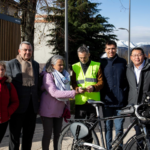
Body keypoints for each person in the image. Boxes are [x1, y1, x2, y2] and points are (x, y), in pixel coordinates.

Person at [39, 55, 78, 150]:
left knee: (58, 135)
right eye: (59, 65)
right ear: (52, 65)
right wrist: (73, 93)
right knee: (47, 134)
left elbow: (66, 91)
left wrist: (67, 108)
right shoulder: (48, 75)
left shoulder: (65, 76)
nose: (61, 67)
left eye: (63, 65)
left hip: (59, 111)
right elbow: (54, 92)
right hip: (47, 111)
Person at [6, 41, 40, 150]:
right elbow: (8, 85)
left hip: (32, 106)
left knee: (28, 136)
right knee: (14, 137)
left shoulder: (35, 64)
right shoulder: (11, 64)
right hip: (17, 107)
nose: (27, 52)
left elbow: (37, 84)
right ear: (19, 51)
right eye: (25, 50)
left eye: (30, 50)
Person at [71, 44, 104, 146]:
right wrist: (77, 88)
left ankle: (87, 147)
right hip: (80, 102)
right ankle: (78, 146)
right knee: (79, 127)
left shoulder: (96, 65)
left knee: (90, 128)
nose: (83, 59)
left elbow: (101, 82)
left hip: (93, 103)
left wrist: (94, 87)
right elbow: (73, 82)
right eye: (80, 57)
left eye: (84, 57)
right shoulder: (74, 66)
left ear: (89, 54)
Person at [100, 40, 128, 150]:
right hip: (107, 101)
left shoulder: (122, 62)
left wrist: (125, 94)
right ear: (105, 50)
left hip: (120, 101)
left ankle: (118, 148)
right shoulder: (101, 63)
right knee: (107, 127)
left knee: (119, 128)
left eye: (113, 48)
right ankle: (108, 148)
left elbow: (126, 80)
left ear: (116, 49)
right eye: (108, 48)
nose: (111, 51)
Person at [126, 47, 150, 137]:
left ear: (144, 55)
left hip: (147, 105)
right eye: (134, 55)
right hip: (133, 105)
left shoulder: (149, 67)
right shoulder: (128, 69)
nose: (137, 57)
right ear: (131, 57)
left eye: (139, 55)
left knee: (148, 132)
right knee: (138, 132)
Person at [0, 62, 19, 143]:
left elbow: (15, 101)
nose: (0, 71)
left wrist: (8, 112)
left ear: (5, 71)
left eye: (2, 69)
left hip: (3, 120)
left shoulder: (8, 85)